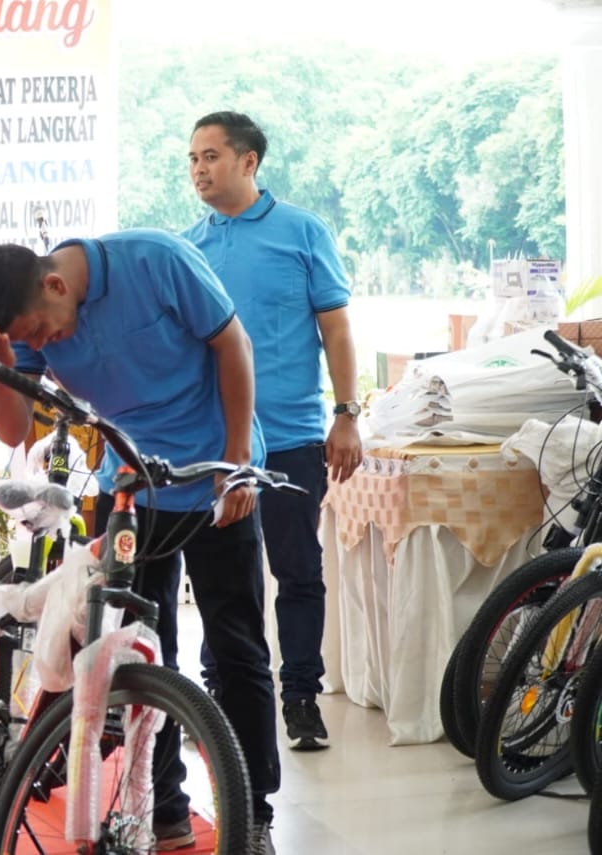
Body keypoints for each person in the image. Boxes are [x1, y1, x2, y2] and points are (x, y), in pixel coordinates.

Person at [0, 232, 279, 854]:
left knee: (237, 648)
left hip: (215, 479)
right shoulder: (29, 324)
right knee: (138, 653)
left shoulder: (154, 261)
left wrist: (236, 462)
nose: (48, 346)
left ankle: (254, 813)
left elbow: (231, 344)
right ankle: (166, 807)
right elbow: (12, 430)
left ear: (55, 284)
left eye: (44, 333)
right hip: (133, 490)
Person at [183, 111, 361, 751]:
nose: (200, 169)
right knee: (225, 580)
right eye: (193, 158)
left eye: (211, 156)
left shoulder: (302, 231)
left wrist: (347, 412)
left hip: (291, 437)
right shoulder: (189, 246)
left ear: (249, 161)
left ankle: (301, 698)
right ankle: (222, 692)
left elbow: (336, 328)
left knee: (298, 571)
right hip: (219, 443)